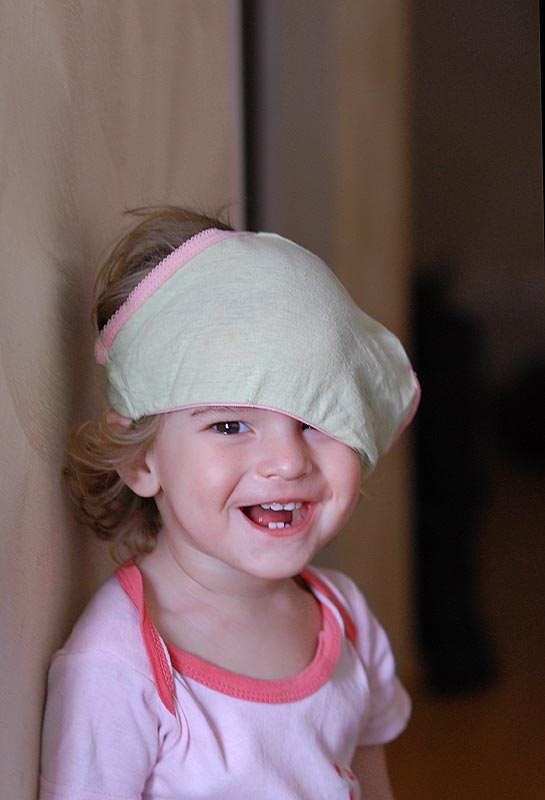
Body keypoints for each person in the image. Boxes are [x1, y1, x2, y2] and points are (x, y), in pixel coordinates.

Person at [39, 207, 420, 800]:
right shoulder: (117, 667)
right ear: (143, 460)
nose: (288, 462)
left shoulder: (345, 619)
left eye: (317, 421)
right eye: (229, 425)